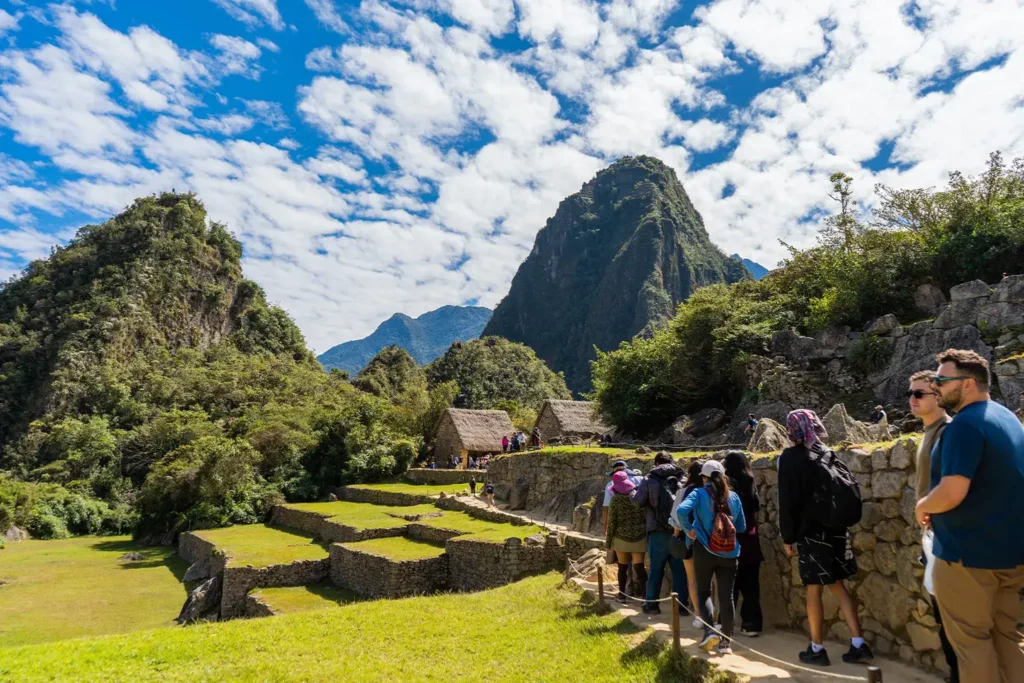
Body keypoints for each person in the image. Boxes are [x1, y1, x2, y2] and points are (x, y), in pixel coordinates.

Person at [918, 349, 1024, 683]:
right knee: (1008, 638)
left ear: (967, 384)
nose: (935, 386)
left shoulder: (965, 425)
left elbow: (952, 491)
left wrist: (923, 506)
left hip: (968, 559)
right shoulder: (1008, 418)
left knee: (972, 645)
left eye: (941, 380)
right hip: (1011, 555)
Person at [779, 409, 873, 666]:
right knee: (838, 585)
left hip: (812, 534)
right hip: (837, 529)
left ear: (791, 429)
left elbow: (788, 502)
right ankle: (858, 644)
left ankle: (817, 648)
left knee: (813, 589)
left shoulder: (790, 458)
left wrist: (788, 536)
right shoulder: (826, 452)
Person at [906, 369, 958, 683]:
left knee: (956, 623)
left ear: (938, 395)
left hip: (949, 540)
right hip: (934, 539)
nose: (912, 399)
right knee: (944, 619)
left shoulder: (949, 432)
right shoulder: (929, 432)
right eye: (910, 393)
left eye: (918, 393)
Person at [679, 460, 746, 654]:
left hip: (704, 550)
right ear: (723, 476)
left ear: (704, 477)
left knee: (704, 592)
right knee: (727, 597)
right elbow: (740, 526)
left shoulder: (698, 493)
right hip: (730, 552)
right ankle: (726, 642)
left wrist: (689, 530)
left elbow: (682, 511)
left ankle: (709, 632)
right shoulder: (733, 497)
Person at [631, 452, 687, 615]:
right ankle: (681, 606)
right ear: (672, 461)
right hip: (678, 530)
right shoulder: (682, 479)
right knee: (680, 571)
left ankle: (652, 604)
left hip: (657, 530)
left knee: (656, 569)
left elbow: (637, 502)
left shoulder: (649, 480)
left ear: (656, 463)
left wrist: (632, 491)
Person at [724, 450, 763, 637]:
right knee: (751, 585)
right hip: (750, 539)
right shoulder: (750, 483)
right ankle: (752, 624)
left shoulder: (726, 487)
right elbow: (755, 512)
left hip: (731, 541)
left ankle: (726, 625)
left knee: (731, 585)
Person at [670, 459, 711, 628]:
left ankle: (699, 616)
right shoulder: (711, 491)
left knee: (692, 579)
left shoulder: (685, 491)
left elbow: (677, 518)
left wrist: (678, 535)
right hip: (710, 540)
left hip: (690, 539)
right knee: (710, 580)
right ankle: (712, 614)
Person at [606, 471, 649, 602]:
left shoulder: (615, 500)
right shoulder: (637, 497)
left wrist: (608, 543)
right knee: (639, 567)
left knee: (622, 567)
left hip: (621, 538)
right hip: (639, 537)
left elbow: (612, 522)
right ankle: (647, 597)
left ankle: (622, 595)